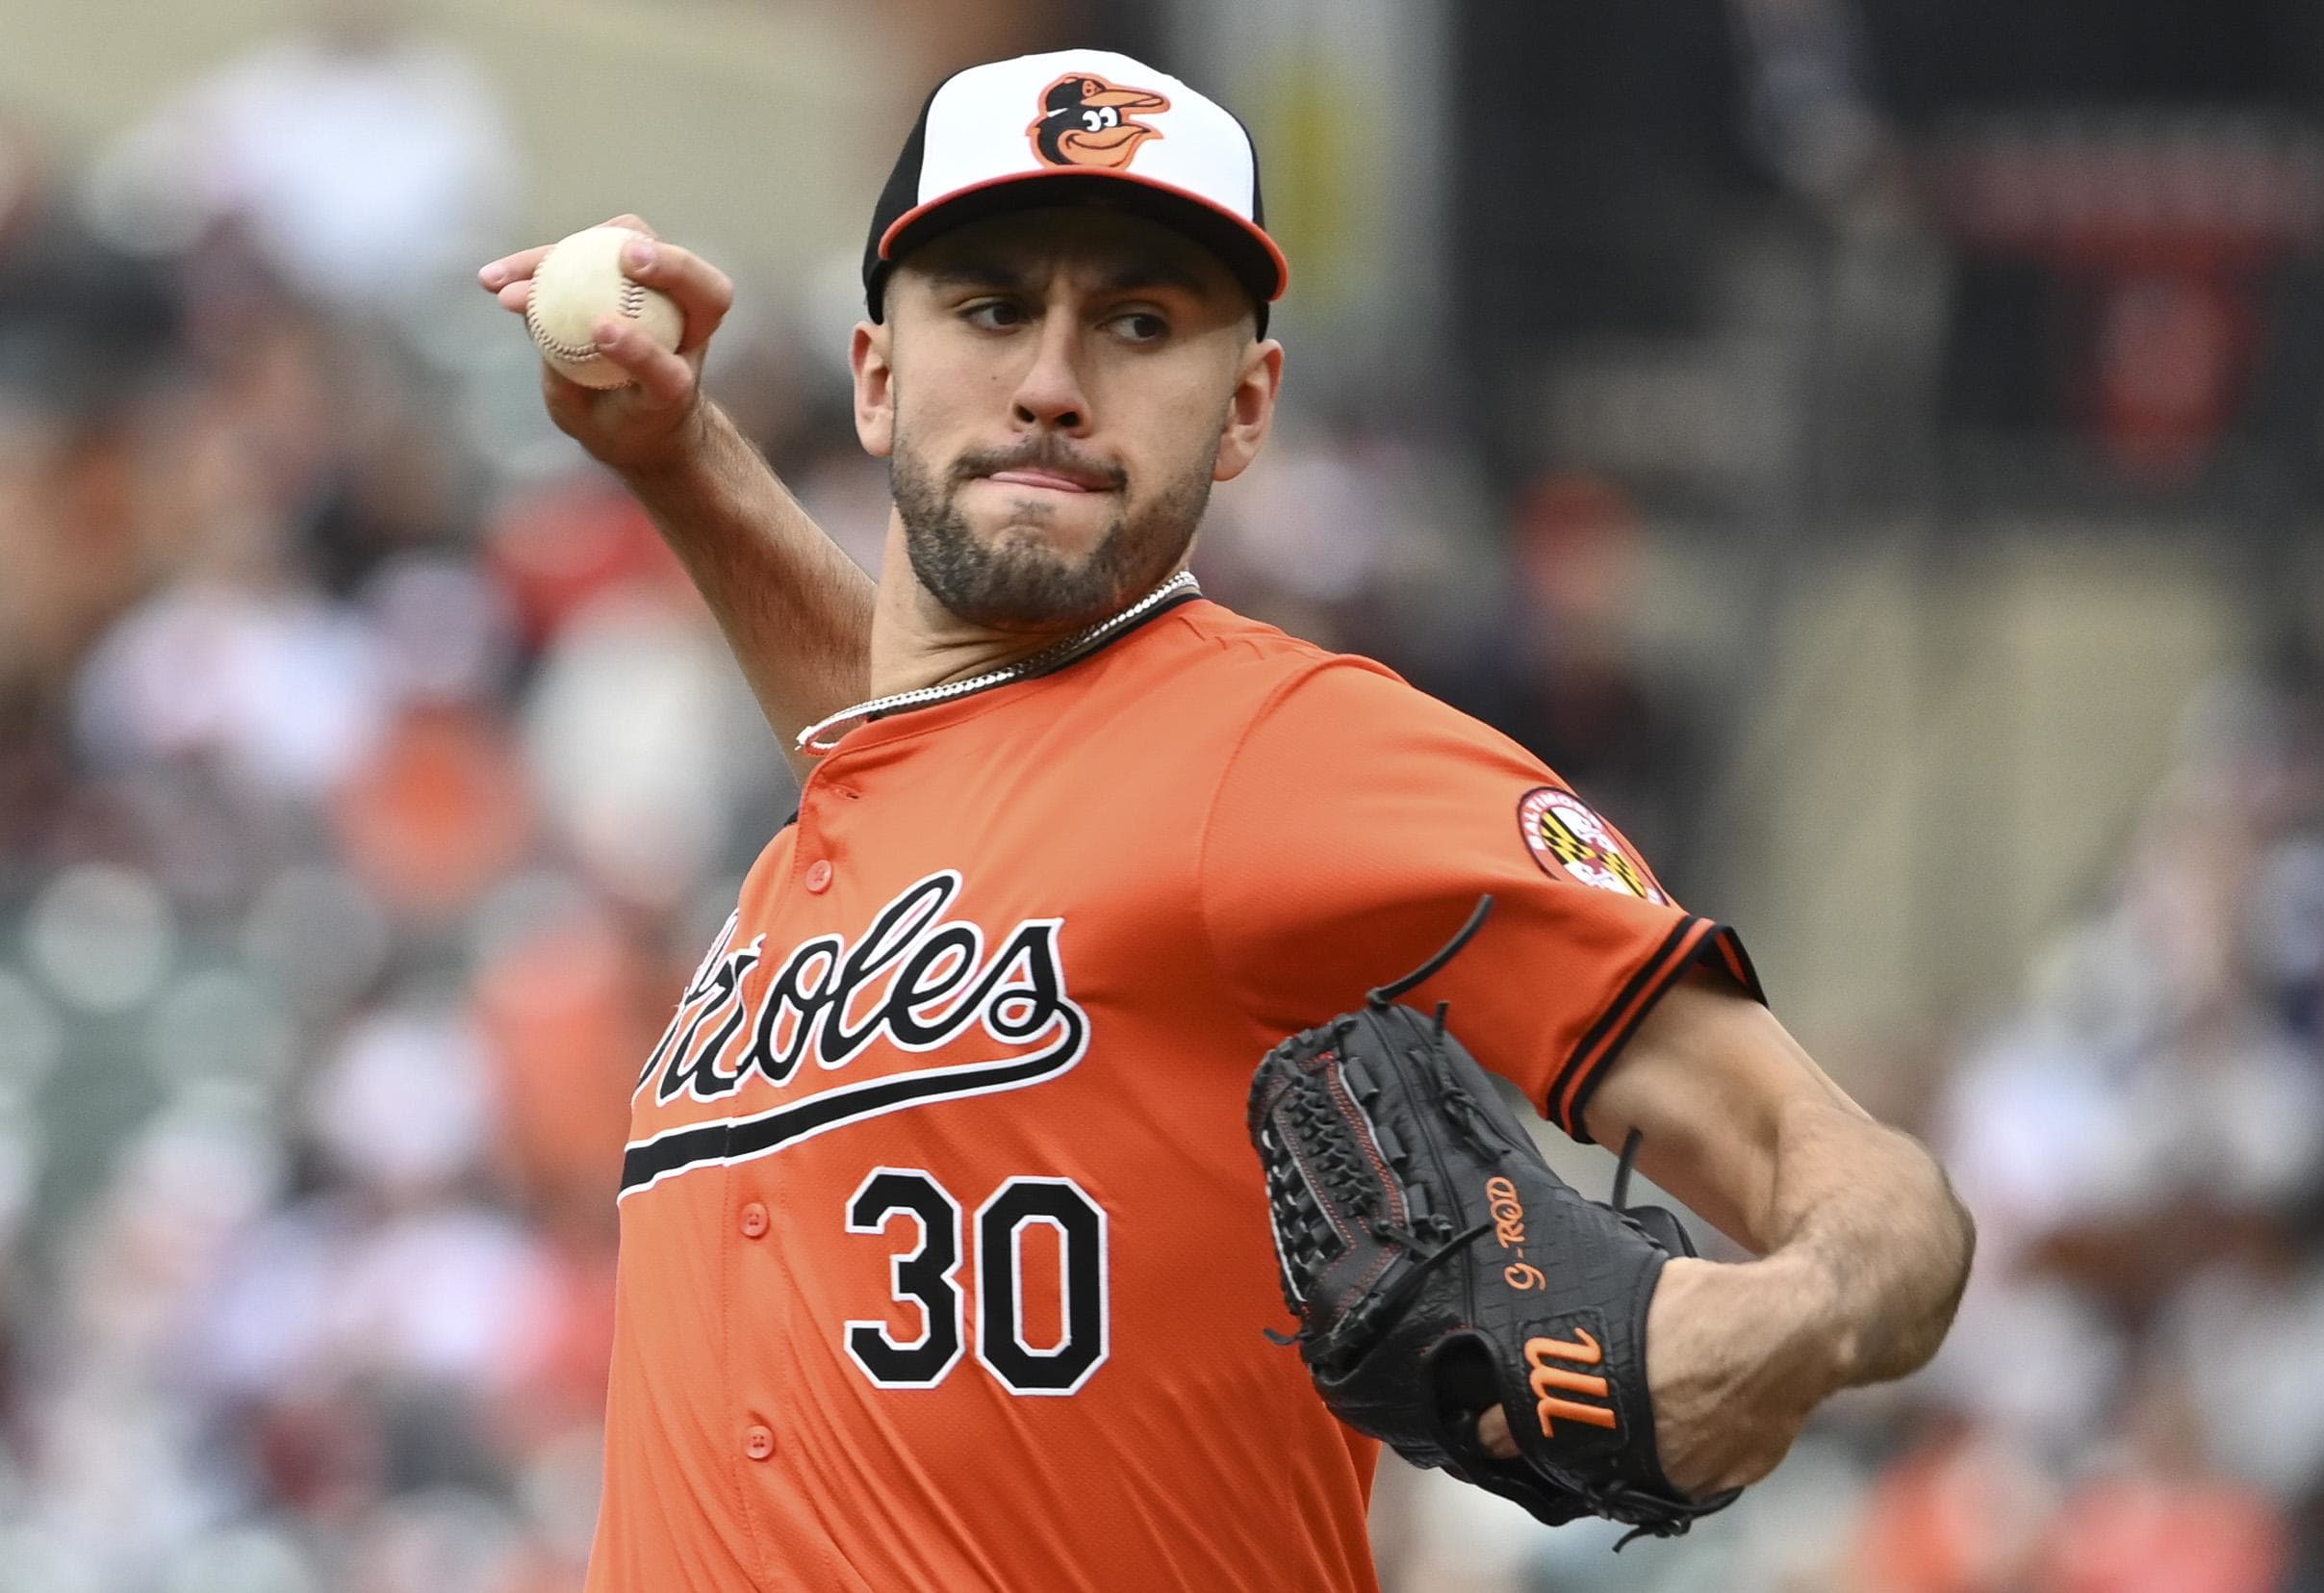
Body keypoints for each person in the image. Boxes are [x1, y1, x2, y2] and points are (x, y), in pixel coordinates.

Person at [477, 48, 1972, 1593]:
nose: (1054, 377)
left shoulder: (1288, 753)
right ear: (874, 377)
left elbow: (1874, 1193)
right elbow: (936, 751)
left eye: (1140, 323)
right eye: (991, 308)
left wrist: (1786, 1323)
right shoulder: (865, 810)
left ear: (1247, 404)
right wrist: (683, 457)